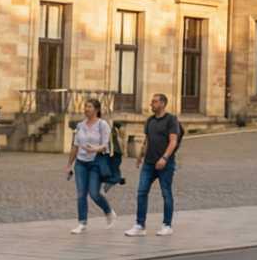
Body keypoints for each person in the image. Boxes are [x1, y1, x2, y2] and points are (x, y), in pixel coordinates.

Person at [126, 93, 184, 237]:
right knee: (141, 192)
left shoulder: (171, 120)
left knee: (166, 193)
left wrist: (164, 158)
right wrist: (140, 156)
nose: (151, 104)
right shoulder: (150, 120)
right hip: (149, 163)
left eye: (154, 102)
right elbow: (147, 140)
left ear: (163, 103)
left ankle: (167, 225)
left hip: (166, 163)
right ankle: (140, 225)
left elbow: (173, 141)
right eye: (152, 102)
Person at [67, 98, 116, 235]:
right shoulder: (80, 126)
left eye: (89, 107)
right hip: (81, 163)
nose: (86, 109)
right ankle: (82, 223)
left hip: (96, 162)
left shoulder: (103, 125)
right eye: (85, 107)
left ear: (96, 109)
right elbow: (75, 146)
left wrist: (95, 149)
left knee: (94, 193)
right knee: (81, 194)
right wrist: (69, 165)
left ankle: (108, 211)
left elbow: (105, 145)